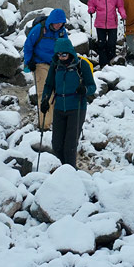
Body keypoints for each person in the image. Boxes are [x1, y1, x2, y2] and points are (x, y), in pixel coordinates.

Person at [39, 38, 96, 169]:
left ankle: (70, 173)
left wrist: (85, 90)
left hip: (76, 108)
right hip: (59, 107)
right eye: (58, 54)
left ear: (70, 52)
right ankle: (62, 170)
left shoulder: (81, 65)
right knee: (57, 145)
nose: (61, 57)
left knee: (69, 146)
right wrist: (45, 100)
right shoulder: (55, 65)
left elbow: (92, 86)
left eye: (64, 54)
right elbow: (48, 85)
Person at [23, 8, 68, 130]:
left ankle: (53, 121)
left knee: (57, 93)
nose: (58, 25)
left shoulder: (62, 32)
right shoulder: (39, 29)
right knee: (44, 93)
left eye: (61, 23)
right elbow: (27, 46)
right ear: (51, 21)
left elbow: (67, 48)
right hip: (40, 63)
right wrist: (29, 61)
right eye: (56, 22)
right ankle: (45, 125)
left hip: (56, 65)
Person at [87, 0, 126, 68]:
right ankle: (103, 63)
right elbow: (91, 4)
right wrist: (91, 10)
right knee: (101, 43)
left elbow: (120, 6)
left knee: (112, 43)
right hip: (100, 24)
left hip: (112, 23)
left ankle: (112, 61)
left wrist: (123, 14)